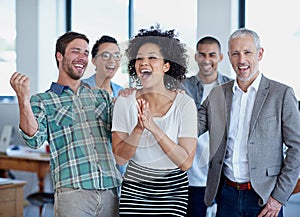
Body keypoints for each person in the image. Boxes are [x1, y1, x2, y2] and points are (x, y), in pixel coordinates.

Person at [10, 31, 122, 217]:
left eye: (86, 53)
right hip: (73, 193)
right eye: (75, 51)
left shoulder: (101, 96)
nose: (82, 57)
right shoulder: (43, 100)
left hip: (109, 189)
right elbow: (34, 140)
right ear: (59, 56)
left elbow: (120, 135)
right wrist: (23, 98)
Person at [198, 28, 300, 217]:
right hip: (226, 195)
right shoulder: (217, 94)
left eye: (247, 52)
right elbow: (192, 127)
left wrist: (278, 197)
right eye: (235, 54)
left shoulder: (282, 94)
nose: (241, 60)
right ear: (229, 56)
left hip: (264, 197)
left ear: (260, 54)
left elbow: (297, 148)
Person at [111, 26, 198, 216]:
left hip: (172, 192)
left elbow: (185, 162)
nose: (144, 63)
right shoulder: (124, 102)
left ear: (166, 66)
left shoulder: (184, 104)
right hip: (134, 189)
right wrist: (139, 129)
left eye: (152, 58)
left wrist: (154, 128)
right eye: (139, 58)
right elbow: (120, 158)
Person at [180, 36, 232, 217]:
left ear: (221, 57)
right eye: (202, 55)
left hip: (221, 177)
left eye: (212, 55)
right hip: (190, 176)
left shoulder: (232, 88)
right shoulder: (182, 87)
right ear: (196, 57)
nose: (207, 60)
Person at [82, 35, 127, 176]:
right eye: (106, 55)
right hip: (89, 170)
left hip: (118, 170)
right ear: (94, 60)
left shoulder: (122, 93)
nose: (112, 60)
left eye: (116, 56)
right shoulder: (81, 90)